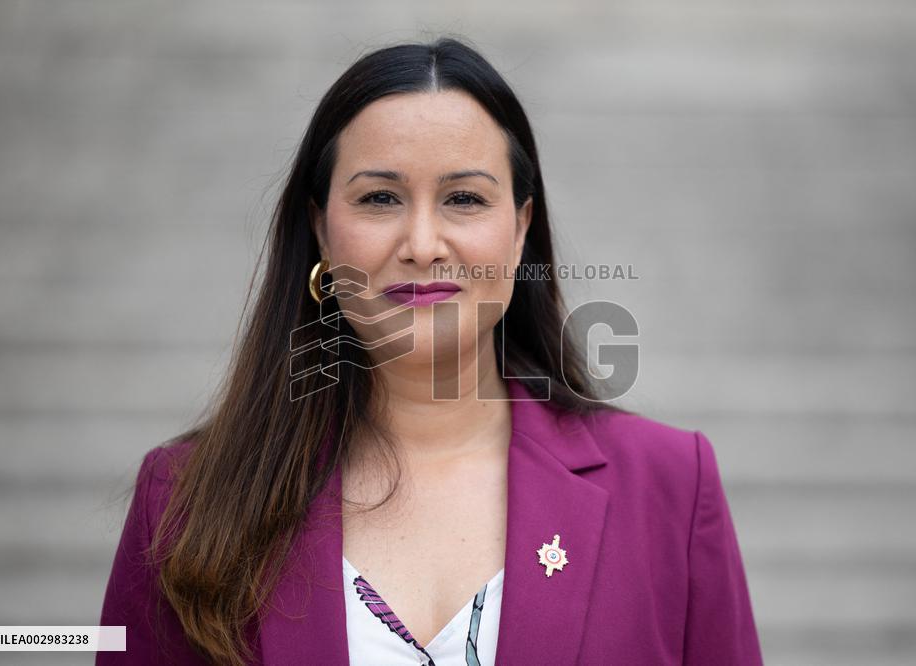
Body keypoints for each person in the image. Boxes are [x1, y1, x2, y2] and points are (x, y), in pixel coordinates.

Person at [96, 36, 763, 666]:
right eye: (380, 198)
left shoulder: (670, 486)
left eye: (464, 199)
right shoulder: (183, 500)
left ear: (521, 228)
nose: (422, 243)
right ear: (321, 230)